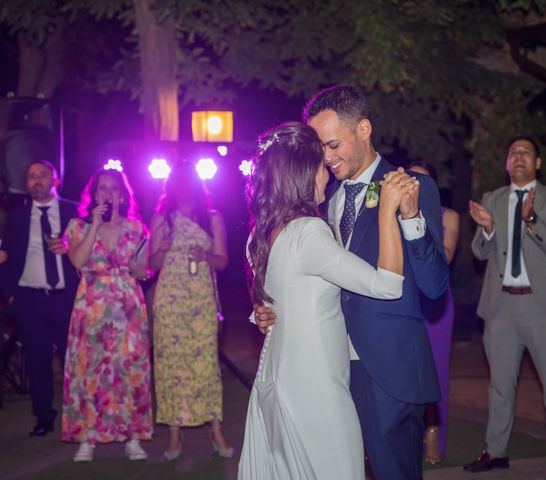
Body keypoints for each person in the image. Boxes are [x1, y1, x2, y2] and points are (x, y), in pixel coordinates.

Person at [256, 85, 450, 479]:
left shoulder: (410, 185)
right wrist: (269, 310)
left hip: (387, 367)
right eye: (319, 150)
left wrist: (410, 219)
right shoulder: (322, 200)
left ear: (363, 129)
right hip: (326, 365)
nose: (326, 158)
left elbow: (434, 284)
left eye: (332, 145)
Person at [239, 121, 414, 479]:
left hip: (277, 377)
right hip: (316, 385)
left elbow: (275, 299)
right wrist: (386, 212)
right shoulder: (307, 231)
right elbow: (388, 285)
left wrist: (261, 314)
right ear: (303, 174)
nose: (327, 175)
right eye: (321, 166)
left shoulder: (262, 232)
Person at [465, 135, 546, 480]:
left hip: (541, 307)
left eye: (526, 153)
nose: (518, 157)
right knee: (500, 386)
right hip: (500, 308)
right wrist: (486, 229)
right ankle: (496, 452)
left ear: (537, 163)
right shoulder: (493, 199)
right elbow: (478, 252)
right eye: (513, 152)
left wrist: (530, 220)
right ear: (506, 163)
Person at [62, 168, 152, 462]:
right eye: (102, 188)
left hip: (128, 306)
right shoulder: (78, 226)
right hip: (91, 306)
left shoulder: (137, 229)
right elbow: (77, 259)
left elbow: (143, 271)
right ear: (94, 193)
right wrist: (95, 225)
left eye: (114, 188)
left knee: (129, 370)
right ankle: (88, 438)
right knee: (90, 370)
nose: (108, 193)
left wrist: (143, 266)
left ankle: (132, 437)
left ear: (123, 195)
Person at [149, 160, 232, 461]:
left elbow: (223, 261)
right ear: (171, 186)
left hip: (200, 303)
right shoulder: (162, 219)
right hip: (170, 303)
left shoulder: (212, 218)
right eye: (178, 182)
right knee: (170, 366)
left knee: (206, 365)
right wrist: (162, 247)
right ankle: (174, 433)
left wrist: (206, 255)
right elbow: (153, 264)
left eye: (188, 182)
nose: (183, 188)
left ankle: (215, 428)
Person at [1, 160, 78, 437]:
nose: (36, 181)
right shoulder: (17, 217)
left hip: (65, 297)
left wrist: (70, 249)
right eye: (31, 176)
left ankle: (78, 414)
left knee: (75, 358)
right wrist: (9, 294)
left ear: (55, 181)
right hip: (29, 298)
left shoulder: (73, 211)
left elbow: (91, 250)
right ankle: (44, 416)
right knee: (37, 360)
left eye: (43, 175)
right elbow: (7, 257)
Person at [408, 161, 460, 464]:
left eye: (423, 181)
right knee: (402, 370)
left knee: (436, 371)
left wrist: (417, 219)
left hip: (435, 304)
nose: (416, 185)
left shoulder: (448, 217)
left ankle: (432, 434)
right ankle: (403, 434)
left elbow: (446, 256)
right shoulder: (392, 213)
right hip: (402, 300)